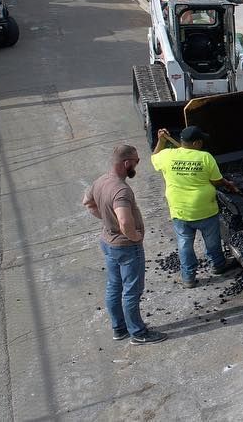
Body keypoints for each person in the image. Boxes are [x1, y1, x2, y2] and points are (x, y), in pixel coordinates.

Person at [83, 145, 166, 345]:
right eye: (136, 161)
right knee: (132, 290)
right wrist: (134, 236)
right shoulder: (121, 190)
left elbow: (88, 203)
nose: (137, 164)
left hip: (108, 243)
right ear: (126, 163)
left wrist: (106, 220)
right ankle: (138, 332)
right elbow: (124, 221)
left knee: (114, 286)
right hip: (126, 247)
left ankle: (119, 329)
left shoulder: (101, 181)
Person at [151, 126, 239, 288]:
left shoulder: (167, 155)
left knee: (184, 244)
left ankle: (188, 277)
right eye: (201, 141)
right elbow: (217, 181)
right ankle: (218, 265)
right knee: (212, 241)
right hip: (205, 209)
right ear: (197, 143)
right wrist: (229, 185)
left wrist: (161, 141)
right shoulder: (205, 157)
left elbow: (154, 157)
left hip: (180, 210)